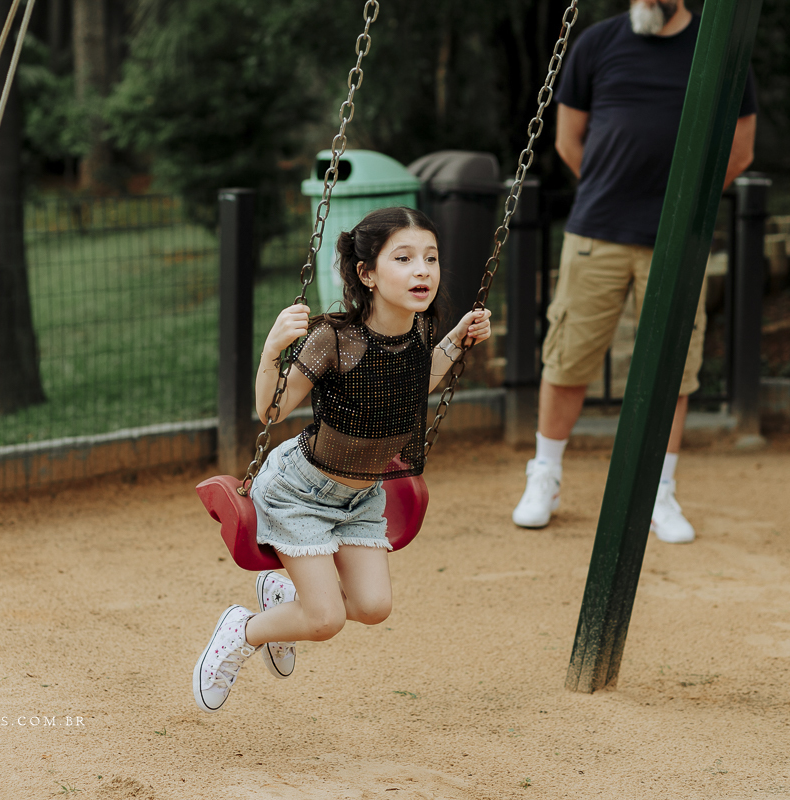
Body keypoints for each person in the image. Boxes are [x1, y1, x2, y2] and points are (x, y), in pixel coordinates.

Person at [192, 207, 491, 712]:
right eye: (404, 258)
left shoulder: (420, 331)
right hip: (299, 491)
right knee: (325, 620)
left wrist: (456, 338)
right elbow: (270, 409)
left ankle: (285, 600)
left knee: (373, 608)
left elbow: (420, 382)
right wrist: (272, 352)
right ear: (367, 274)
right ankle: (242, 630)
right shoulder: (336, 339)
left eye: (431, 258)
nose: (423, 270)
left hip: (360, 497)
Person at [511, 0, 757, 543]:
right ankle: (545, 476)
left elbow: (740, 149)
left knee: (673, 367)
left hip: (677, 242)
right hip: (596, 231)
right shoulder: (596, 44)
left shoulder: (720, 49)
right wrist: (611, 191)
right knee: (567, 354)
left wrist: (683, 209)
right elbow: (568, 140)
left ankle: (659, 492)